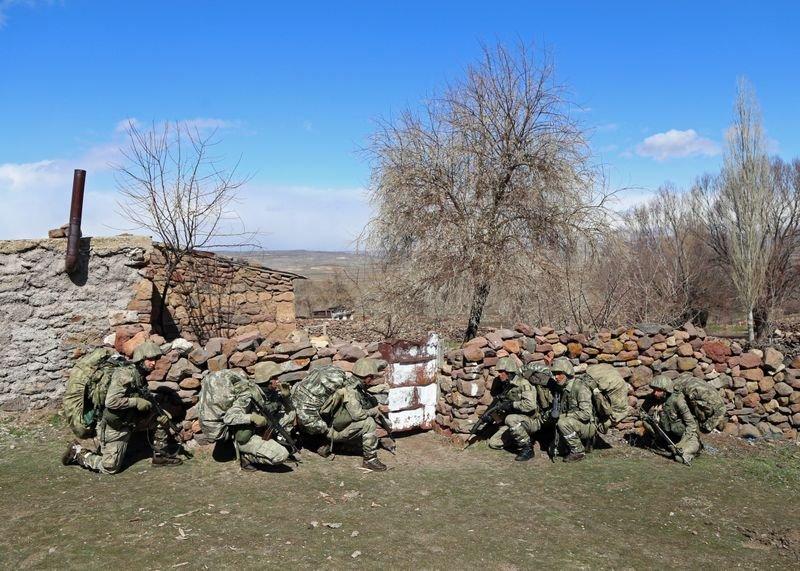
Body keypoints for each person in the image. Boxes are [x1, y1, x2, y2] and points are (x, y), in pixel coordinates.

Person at [61, 342, 182, 473]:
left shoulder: (140, 375)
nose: (153, 363)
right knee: (110, 467)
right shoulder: (125, 374)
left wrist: (157, 413)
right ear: (141, 359)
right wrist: (135, 402)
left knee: (161, 418)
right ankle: (78, 452)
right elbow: (111, 402)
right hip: (114, 425)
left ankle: (160, 456)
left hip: (130, 419)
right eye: (150, 359)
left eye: (155, 360)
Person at [292, 359, 389, 472]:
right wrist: (374, 411)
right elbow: (358, 416)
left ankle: (321, 443)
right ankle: (370, 460)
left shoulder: (340, 382)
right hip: (327, 430)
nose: (372, 380)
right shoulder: (350, 390)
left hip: (309, 425)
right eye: (372, 377)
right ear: (368, 378)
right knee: (368, 423)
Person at [221, 371, 295, 471]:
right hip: (247, 436)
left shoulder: (270, 392)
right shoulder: (248, 395)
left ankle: (273, 443)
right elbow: (229, 417)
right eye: (275, 378)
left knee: (291, 414)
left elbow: (288, 410)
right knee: (281, 455)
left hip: (264, 428)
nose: (278, 381)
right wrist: (251, 418)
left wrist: (285, 397)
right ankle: (246, 457)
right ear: (268, 381)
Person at [486, 357, 543, 461]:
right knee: (494, 443)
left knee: (510, 419)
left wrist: (512, 405)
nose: (499, 374)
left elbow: (531, 405)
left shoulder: (523, 383)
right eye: (499, 372)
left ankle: (528, 449)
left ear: (509, 372)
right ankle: (522, 438)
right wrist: (492, 417)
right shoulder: (505, 385)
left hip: (532, 421)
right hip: (516, 422)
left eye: (502, 372)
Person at [641, 375, 701, 464]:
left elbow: (692, 425)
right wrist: (648, 419)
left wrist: (681, 444)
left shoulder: (678, 401)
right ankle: (661, 444)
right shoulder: (652, 397)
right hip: (668, 434)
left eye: (659, 390)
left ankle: (691, 450)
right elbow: (642, 411)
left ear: (666, 391)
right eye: (654, 389)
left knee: (679, 458)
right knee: (645, 426)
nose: (655, 393)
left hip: (687, 436)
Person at [550, 357, 596, 463]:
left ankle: (578, 451)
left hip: (587, 426)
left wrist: (566, 416)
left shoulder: (580, 388)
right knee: (553, 450)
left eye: (559, 374)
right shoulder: (563, 388)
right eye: (555, 374)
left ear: (567, 373)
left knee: (562, 422)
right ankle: (571, 445)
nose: (556, 377)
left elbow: (586, 414)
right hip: (574, 424)